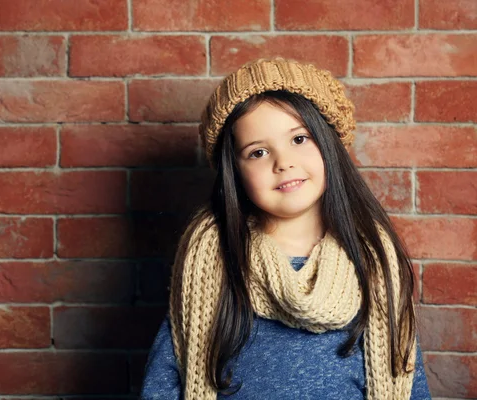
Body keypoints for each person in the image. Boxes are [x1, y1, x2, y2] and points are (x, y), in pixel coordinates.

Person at [140, 57, 432, 399]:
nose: (283, 163)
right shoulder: (211, 262)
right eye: (258, 152)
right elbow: (166, 378)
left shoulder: (373, 260)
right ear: (234, 171)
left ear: (329, 142)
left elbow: (407, 375)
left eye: (299, 139)